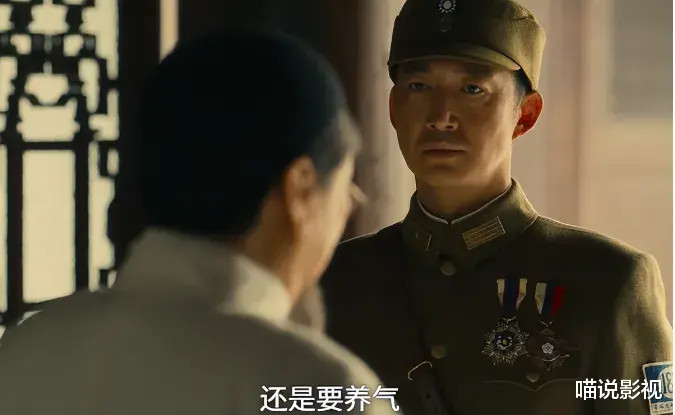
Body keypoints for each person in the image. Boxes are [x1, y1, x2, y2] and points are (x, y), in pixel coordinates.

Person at [0, 30, 400, 415]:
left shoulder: (23, 351)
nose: (349, 208)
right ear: (300, 186)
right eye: (344, 188)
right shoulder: (321, 389)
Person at [321, 0, 673, 414]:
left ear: (525, 115)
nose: (441, 117)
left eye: (473, 90)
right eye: (419, 87)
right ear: (394, 109)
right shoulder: (336, 280)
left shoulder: (606, 282)